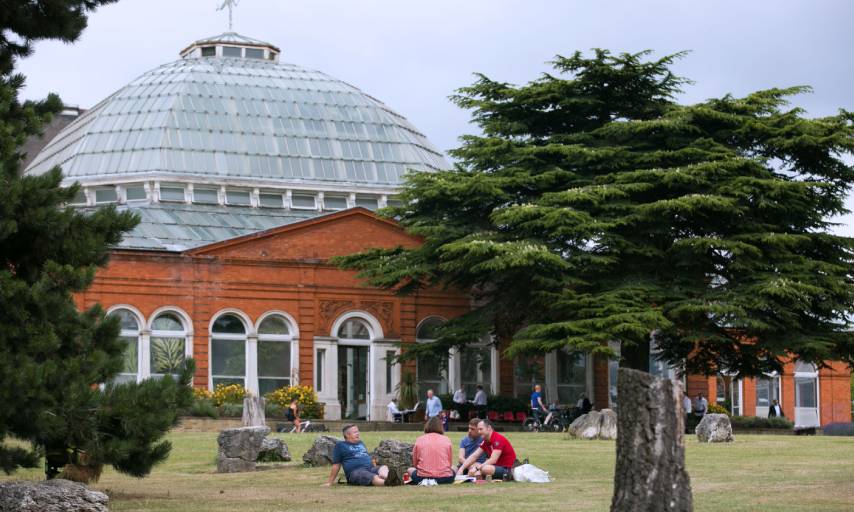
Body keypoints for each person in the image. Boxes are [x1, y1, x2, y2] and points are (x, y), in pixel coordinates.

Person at [325, 424, 401, 486]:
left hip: (370, 469)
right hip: (356, 472)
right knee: (370, 476)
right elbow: (336, 465)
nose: (358, 433)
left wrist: (374, 466)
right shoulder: (340, 445)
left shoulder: (360, 443)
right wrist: (330, 482)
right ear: (347, 435)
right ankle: (387, 483)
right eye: (355, 432)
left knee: (383, 467)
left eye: (358, 431)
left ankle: (389, 478)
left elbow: (366, 456)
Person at [406, 416, 455, 484]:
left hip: (422, 478)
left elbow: (415, 463)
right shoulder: (447, 439)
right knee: (454, 467)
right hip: (445, 478)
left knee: (410, 470)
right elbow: (449, 464)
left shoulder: (419, 439)